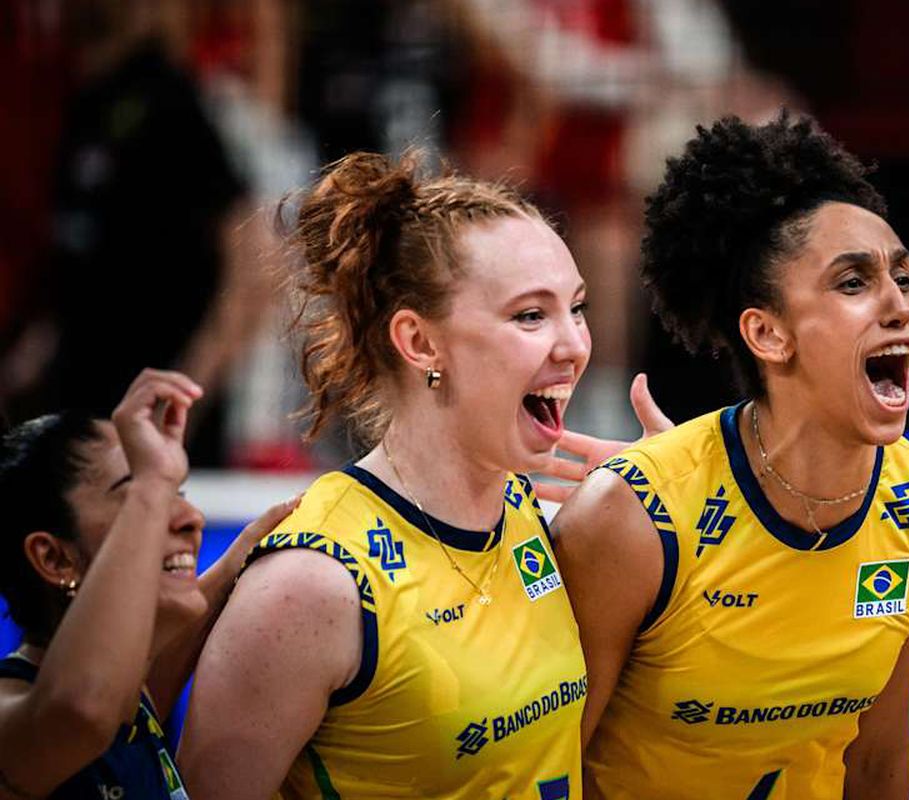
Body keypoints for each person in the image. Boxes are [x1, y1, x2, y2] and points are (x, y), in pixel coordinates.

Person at [553, 113, 909, 799]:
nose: (898, 305)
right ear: (768, 334)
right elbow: (551, 767)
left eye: (903, 277)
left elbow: (876, 759)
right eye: (853, 283)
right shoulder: (630, 521)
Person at [180, 152, 591, 799]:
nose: (574, 346)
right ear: (420, 343)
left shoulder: (521, 508)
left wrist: (667, 496)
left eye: (577, 308)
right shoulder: (312, 584)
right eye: (531, 316)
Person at [0, 369, 293, 799]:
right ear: (54, 558)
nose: (191, 518)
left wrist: (243, 556)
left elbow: (132, 673)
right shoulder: (13, 721)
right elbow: (82, 710)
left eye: (178, 493)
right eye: (138, 494)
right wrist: (153, 481)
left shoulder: (134, 702)